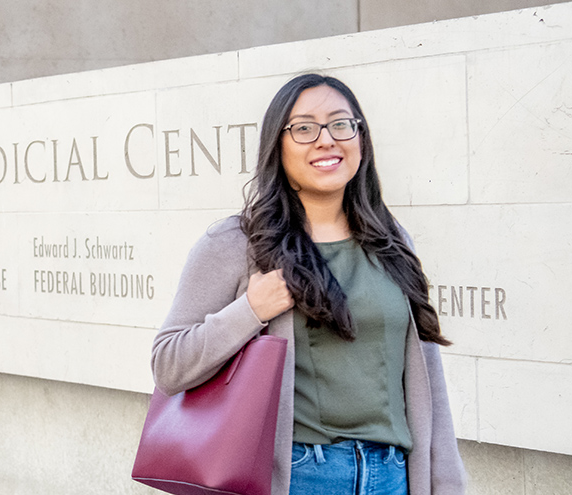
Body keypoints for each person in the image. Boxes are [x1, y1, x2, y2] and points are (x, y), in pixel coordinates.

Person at [151, 73, 466, 495]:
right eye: (304, 128)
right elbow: (169, 364)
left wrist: (446, 484)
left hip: (392, 475)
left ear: (361, 138)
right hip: (299, 476)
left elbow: (430, 383)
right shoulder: (237, 242)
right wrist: (249, 311)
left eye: (341, 124)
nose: (326, 140)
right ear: (277, 146)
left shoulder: (390, 240)